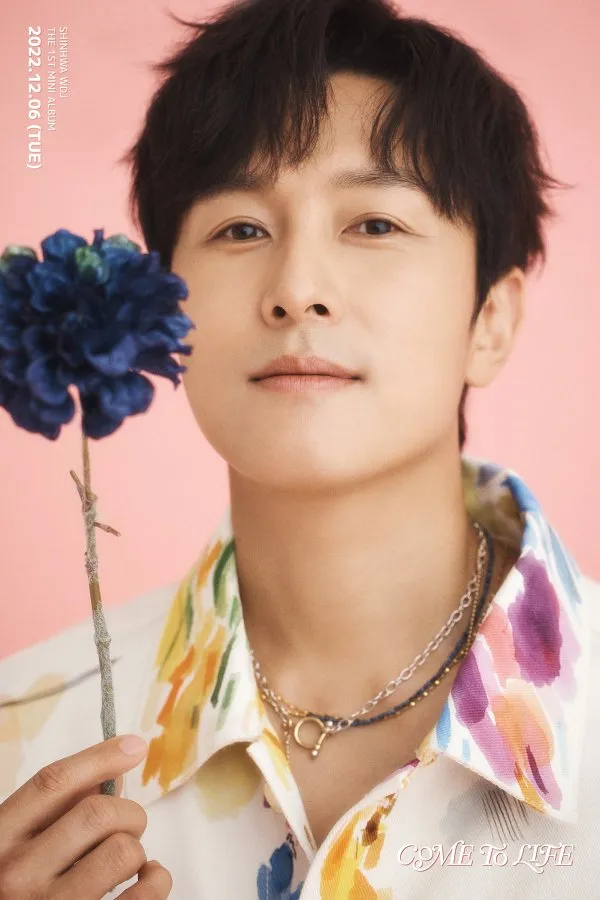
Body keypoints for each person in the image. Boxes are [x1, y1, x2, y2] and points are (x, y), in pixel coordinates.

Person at [0, 0, 598, 897]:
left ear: (491, 319)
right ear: (163, 306)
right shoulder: (24, 737)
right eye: (241, 229)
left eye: (374, 224)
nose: (297, 289)